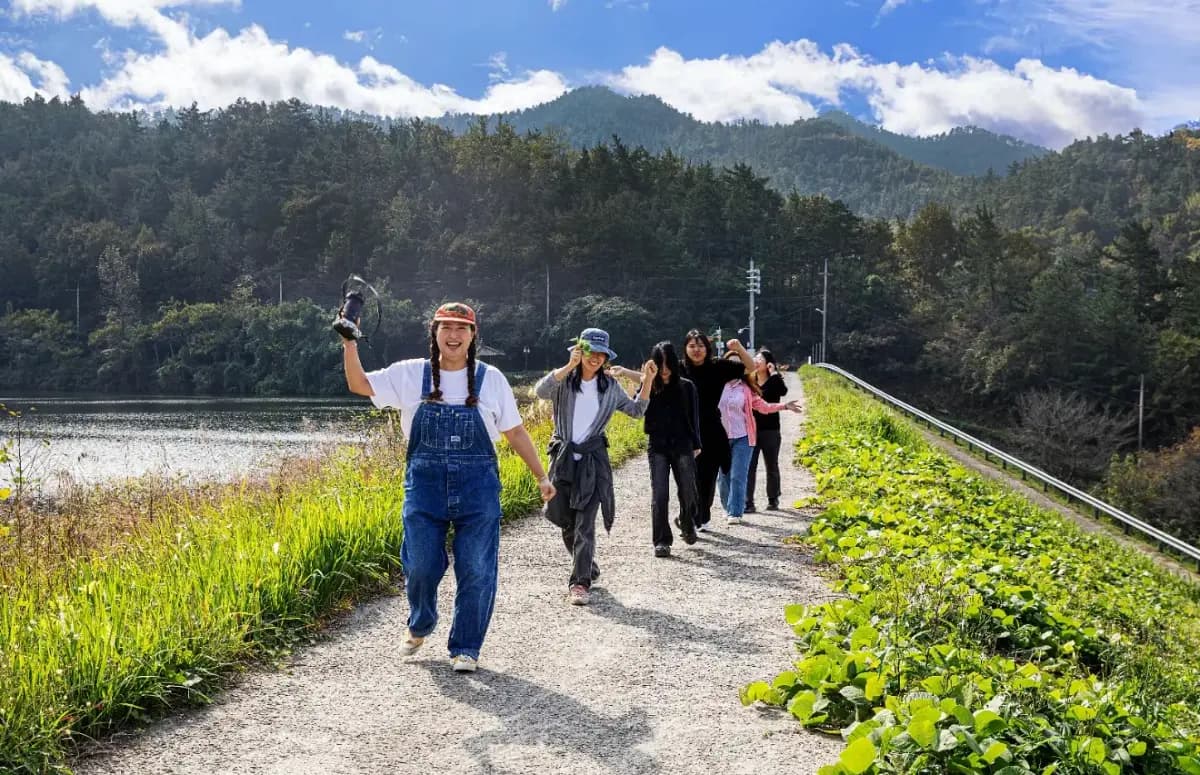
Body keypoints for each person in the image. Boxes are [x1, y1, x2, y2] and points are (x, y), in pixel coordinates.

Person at [341, 302, 555, 674]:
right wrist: (349, 341)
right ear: (434, 333)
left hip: (478, 489)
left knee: (476, 568)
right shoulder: (410, 374)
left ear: (473, 336)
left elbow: (515, 432)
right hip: (424, 488)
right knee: (420, 563)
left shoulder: (492, 380)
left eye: (461, 328)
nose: (453, 335)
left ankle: (465, 647)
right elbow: (358, 384)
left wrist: (542, 476)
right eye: (446, 327)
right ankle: (421, 621)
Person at [536, 328, 654, 605]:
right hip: (563, 459)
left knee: (585, 523)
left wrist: (647, 381)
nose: (596, 358)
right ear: (580, 351)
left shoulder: (610, 387)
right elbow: (541, 391)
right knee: (564, 519)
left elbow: (637, 411)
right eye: (591, 351)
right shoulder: (564, 381)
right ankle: (587, 565)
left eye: (601, 354)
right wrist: (569, 366)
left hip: (592, 461)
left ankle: (580, 582)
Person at [677, 331, 754, 532]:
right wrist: (625, 372)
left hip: (711, 430)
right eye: (692, 346)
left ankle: (701, 516)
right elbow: (653, 378)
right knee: (687, 476)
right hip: (685, 429)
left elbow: (751, 367)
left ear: (707, 348)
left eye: (700, 346)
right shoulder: (679, 368)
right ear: (685, 348)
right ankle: (689, 514)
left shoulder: (718, 366)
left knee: (707, 477)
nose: (696, 350)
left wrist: (738, 349)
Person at [716, 351, 800, 525]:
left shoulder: (746, 389)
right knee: (723, 476)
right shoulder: (716, 386)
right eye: (729, 363)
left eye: (737, 364)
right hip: (721, 438)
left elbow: (764, 406)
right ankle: (727, 507)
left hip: (743, 437)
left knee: (738, 475)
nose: (733, 367)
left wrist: (785, 406)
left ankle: (735, 511)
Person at [641, 341, 701, 558]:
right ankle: (661, 540)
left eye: (668, 363)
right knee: (660, 494)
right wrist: (647, 379)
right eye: (660, 363)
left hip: (683, 445)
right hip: (658, 446)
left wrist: (697, 445)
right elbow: (640, 409)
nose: (664, 369)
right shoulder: (649, 386)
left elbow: (694, 419)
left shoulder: (686, 386)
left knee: (688, 490)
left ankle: (686, 521)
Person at [745, 348, 788, 513]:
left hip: (770, 429)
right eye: (754, 358)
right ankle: (748, 502)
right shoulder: (750, 380)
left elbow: (783, 392)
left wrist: (775, 373)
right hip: (752, 428)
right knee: (750, 466)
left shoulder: (775, 380)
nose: (756, 361)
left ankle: (773, 499)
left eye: (759, 359)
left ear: (768, 363)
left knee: (771, 465)